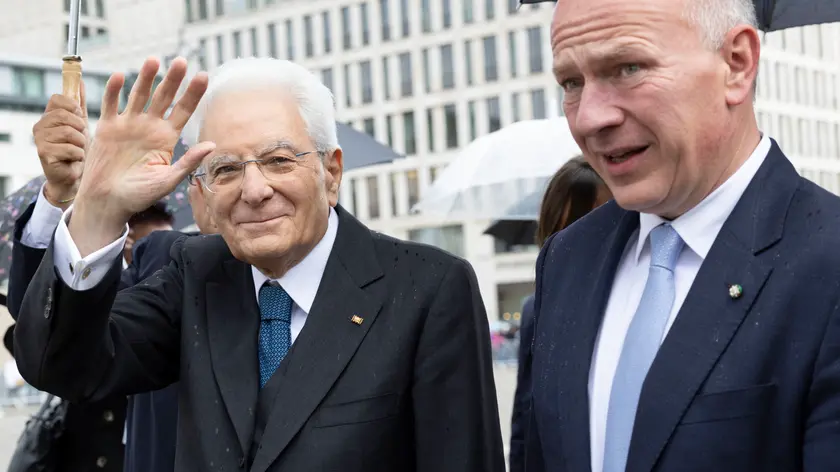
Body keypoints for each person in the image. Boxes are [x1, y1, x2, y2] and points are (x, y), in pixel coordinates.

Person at [13, 56, 505, 472]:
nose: (254, 190)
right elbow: (63, 366)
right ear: (201, 189)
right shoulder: (196, 275)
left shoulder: (427, 289)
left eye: (278, 160)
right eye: (226, 169)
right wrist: (99, 208)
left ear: (331, 173)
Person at [524, 0, 840, 471]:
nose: (589, 118)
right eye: (571, 83)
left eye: (628, 68)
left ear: (737, 63)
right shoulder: (566, 259)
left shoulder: (827, 260)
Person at [508, 156, 610, 472]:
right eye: (571, 226)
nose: (583, 239)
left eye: (599, 221)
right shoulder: (537, 308)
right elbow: (526, 419)